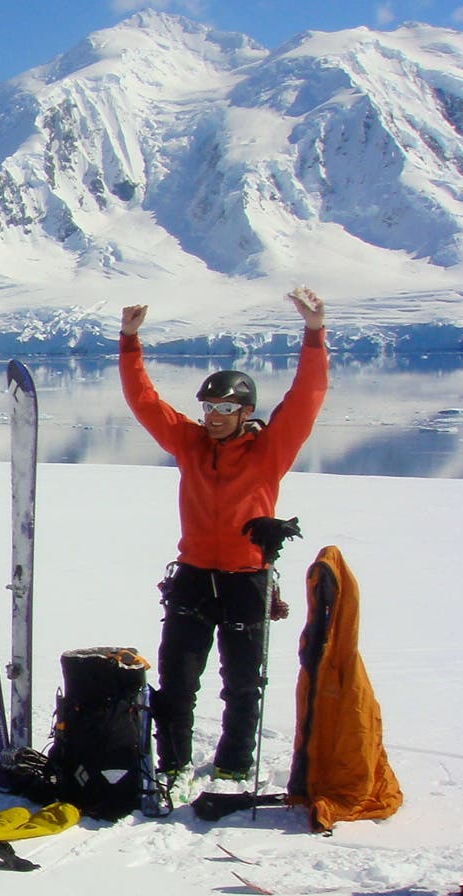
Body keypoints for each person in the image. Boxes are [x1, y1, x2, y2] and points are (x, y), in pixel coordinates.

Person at [120, 289, 328, 795]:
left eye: (224, 407)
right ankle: (173, 763)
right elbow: (145, 403)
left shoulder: (268, 451)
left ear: (245, 411)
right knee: (178, 680)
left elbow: (305, 398)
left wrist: (315, 333)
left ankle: (234, 766)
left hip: (246, 579)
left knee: (242, 683)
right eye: (208, 406)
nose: (212, 414)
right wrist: (129, 342)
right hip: (192, 577)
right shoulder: (189, 444)